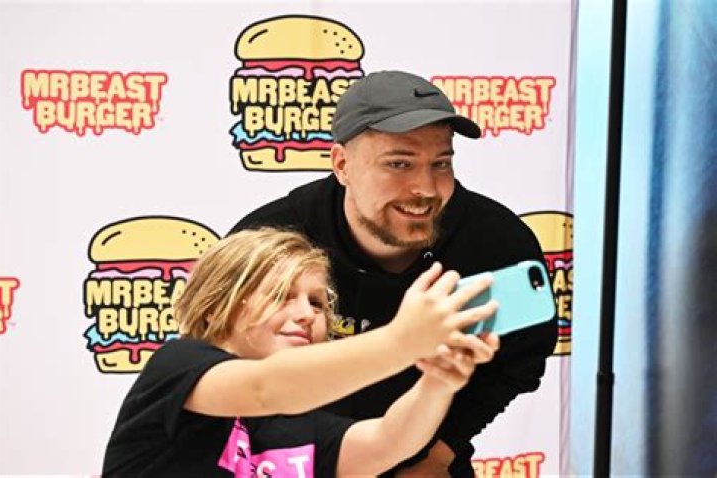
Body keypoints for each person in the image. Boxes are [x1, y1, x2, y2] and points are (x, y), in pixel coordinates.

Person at [229, 70, 559, 477]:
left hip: (422, 461)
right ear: (342, 164)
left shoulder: (495, 243)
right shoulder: (270, 240)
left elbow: (519, 361)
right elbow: (222, 367)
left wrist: (439, 455)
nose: (426, 188)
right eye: (399, 164)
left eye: (440, 163)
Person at [102, 227, 500, 477]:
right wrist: (402, 341)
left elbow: (386, 443)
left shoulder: (298, 425)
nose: (307, 314)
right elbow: (264, 388)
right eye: (281, 296)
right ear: (216, 303)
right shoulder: (178, 365)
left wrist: (438, 381)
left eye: (316, 303)